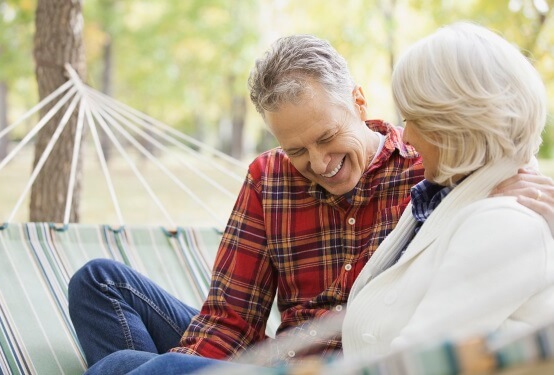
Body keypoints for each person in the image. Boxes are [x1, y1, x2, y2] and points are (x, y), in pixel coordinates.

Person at [69, 33, 554, 374]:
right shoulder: (269, 178)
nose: (319, 163)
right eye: (297, 149)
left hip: (352, 361)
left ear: (360, 104)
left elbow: (492, 149)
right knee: (99, 281)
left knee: (122, 367)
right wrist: (193, 368)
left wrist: (514, 182)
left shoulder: (428, 173)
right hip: (281, 356)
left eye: (327, 138)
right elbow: (231, 318)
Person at [342, 22, 554, 363]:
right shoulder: (441, 197)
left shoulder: (504, 221)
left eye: (414, 119)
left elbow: (416, 365)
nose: (406, 136)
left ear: (455, 125)